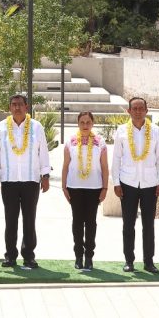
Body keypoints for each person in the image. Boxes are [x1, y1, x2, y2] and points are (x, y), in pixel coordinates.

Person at [0, 94, 51, 269]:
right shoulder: (1, 127)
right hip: (9, 180)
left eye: (20, 104)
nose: (17, 107)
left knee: (29, 220)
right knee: (11, 220)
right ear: (10, 107)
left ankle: (29, 256)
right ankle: (10, 256)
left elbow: (43, 152)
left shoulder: (36, 127)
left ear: (26, 107)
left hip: (31, 180)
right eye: (14, 104)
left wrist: (45, 176)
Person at [111, 97, 159, 273]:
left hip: (150, 183)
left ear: (146, 111)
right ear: (128, 111)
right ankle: (129, 260)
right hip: (128, 183)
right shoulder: (121, 131)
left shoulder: (155, 131)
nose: (137, 111)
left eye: (141, 108)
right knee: (128, 224)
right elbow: (116, 158)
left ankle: (149, 261)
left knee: (148, 225)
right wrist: (116, 182)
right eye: (134, 108)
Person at [62, 111, 107, 271]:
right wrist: (64, 186)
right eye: (82, 122)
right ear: (78, 124)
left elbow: (104, 167)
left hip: (94, 188)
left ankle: (89, 257)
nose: (85, 125)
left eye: (88, 122)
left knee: (91, 223)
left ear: (92, 124)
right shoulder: (70, 142)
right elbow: (66, 166)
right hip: (74, 187)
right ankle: (78, 256)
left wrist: (105, 188)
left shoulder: (100, 142)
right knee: (77, 222)